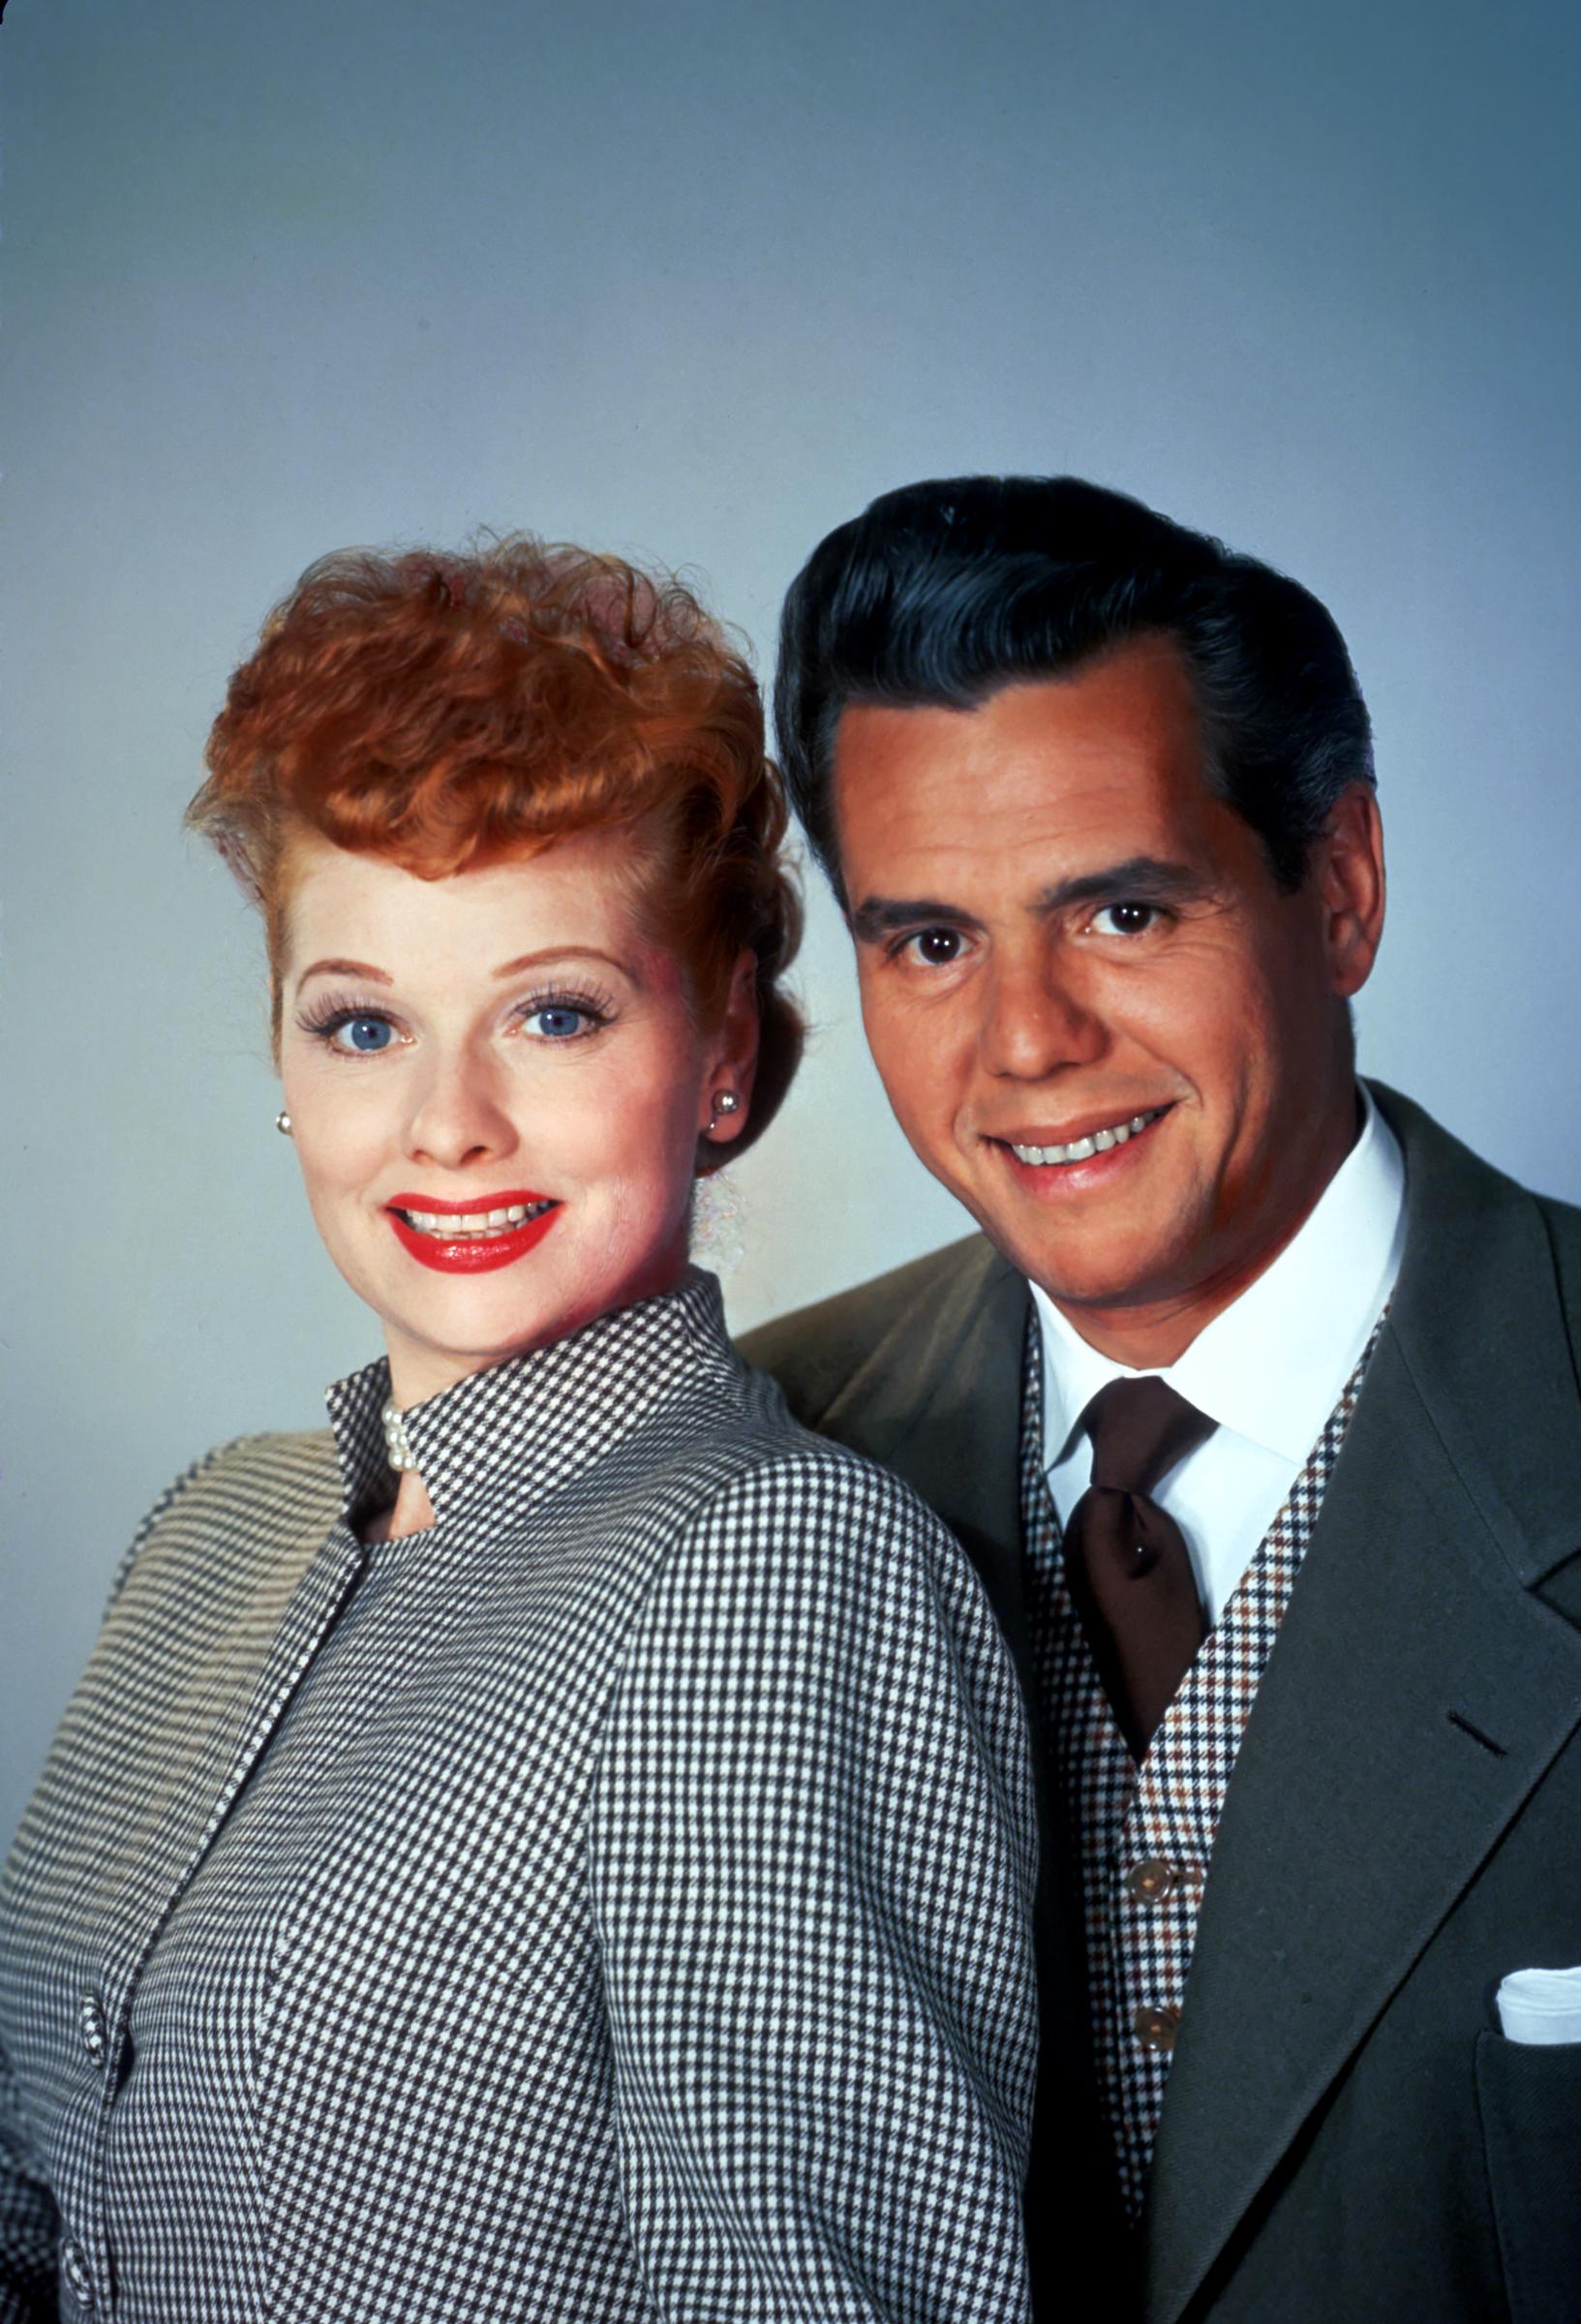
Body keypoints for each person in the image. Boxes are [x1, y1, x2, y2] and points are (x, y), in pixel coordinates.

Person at [0, 538, 1040, 2323]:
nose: (445, 1122)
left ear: (722, 1053)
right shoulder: (209, 1540)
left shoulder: (776, 1576)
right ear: (279, 1053)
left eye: (553, 1014)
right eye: (361, 1025)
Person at [745, 474, 1581, 2324]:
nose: (1026, 1041)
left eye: (1121, 913)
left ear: (1339, 889)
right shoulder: (755, 1455)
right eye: (930, 942)